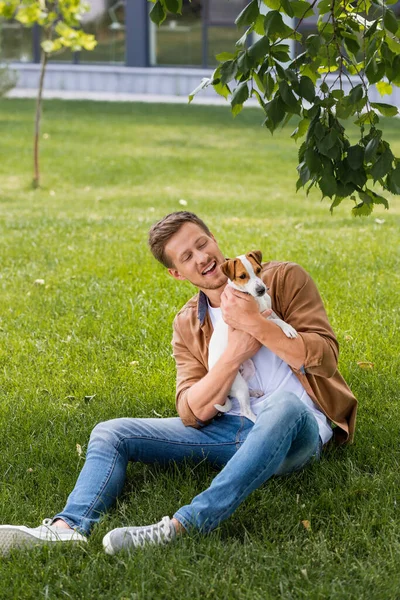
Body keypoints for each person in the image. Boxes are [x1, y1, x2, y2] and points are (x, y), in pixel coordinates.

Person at [0, 211, 357, 556]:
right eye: (187, 256)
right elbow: (191, 410)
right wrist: (234, 354)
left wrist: (258, 326)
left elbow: (325, 358)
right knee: (111, 432)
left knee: (285, 404)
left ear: (215, 239)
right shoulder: (188, 322)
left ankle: (182, 525)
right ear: (176, 273)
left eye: (203, 244)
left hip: (294, 430)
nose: (203, 257)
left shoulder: (283, 279)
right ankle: (67, 529)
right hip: (231, 429)